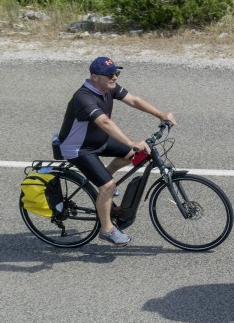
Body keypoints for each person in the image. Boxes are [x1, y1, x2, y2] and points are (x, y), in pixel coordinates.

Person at [57, 56, 176, 246]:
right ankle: (107, 229)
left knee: (136, 156)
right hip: (78, 148)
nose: (115, 77)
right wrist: (131, 142)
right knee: (108, 187)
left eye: (116, 73)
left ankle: (104, 179)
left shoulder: (108, 88)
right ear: (95, 77)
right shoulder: (84, 97)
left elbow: (134, 100)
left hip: (99, 141)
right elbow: (104, 122)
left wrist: (161, 114)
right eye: (110, 74)